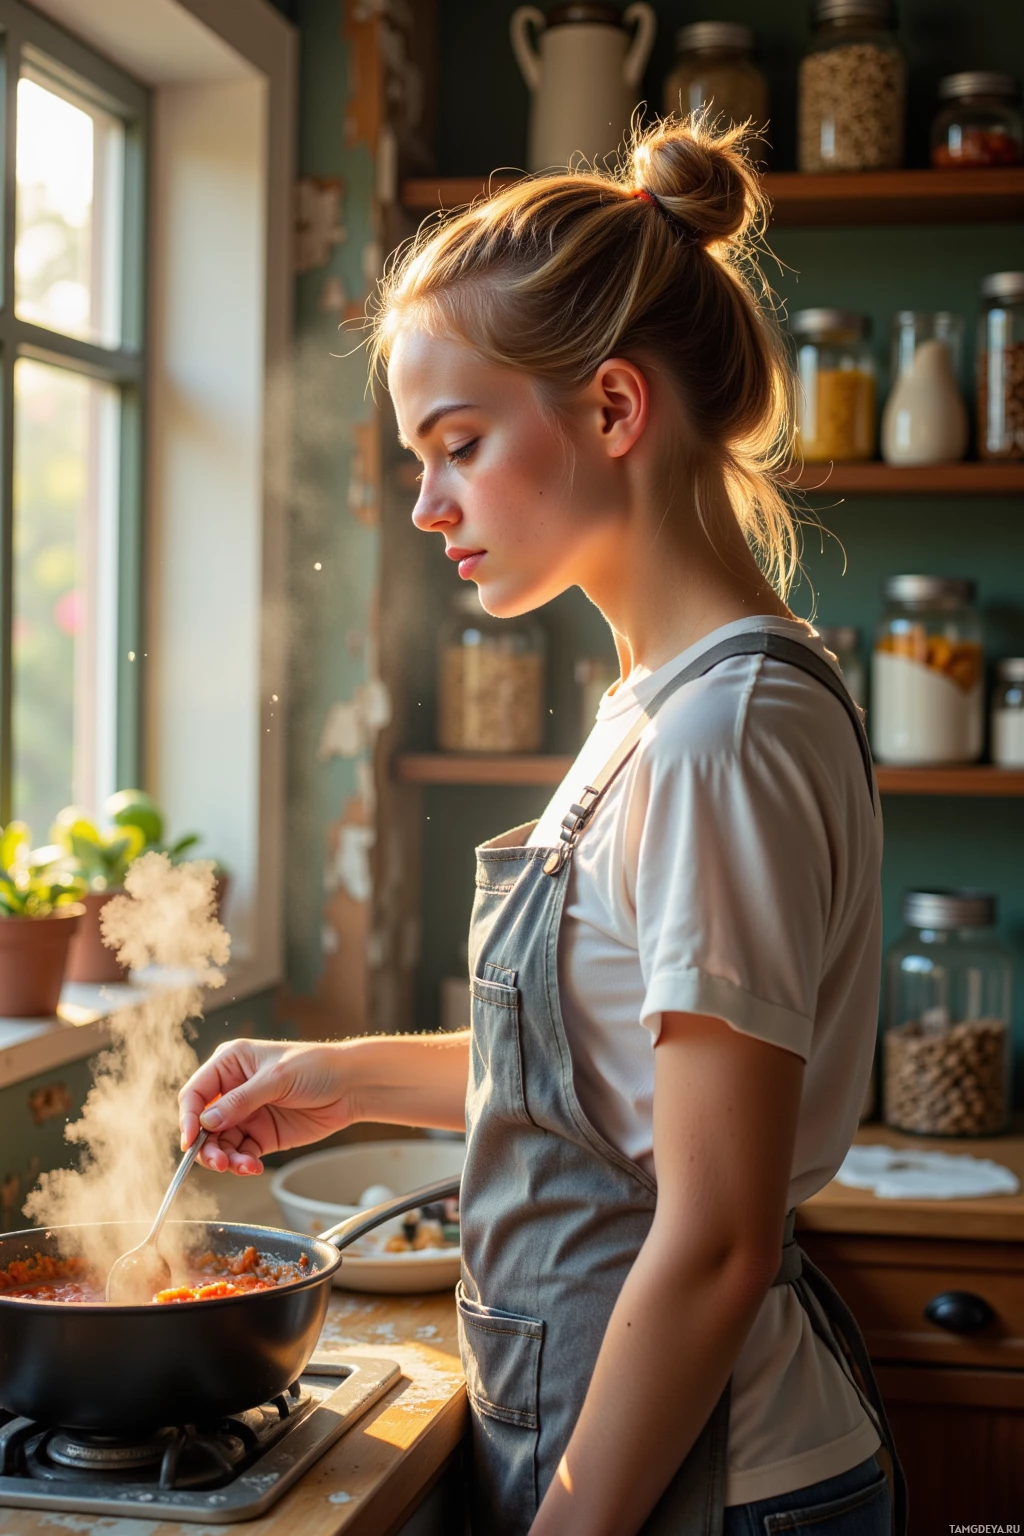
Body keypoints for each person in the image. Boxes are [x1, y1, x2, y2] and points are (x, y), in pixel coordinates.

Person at [179, 118, 907, 1536]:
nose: (423, 502)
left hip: (714, 1490)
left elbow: (711, 1239)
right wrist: (345, 1075)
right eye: (415, 456)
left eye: (457, 444)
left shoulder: (722, 734)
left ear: (614, 410)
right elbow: (612, 1085)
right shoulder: (655, 703)